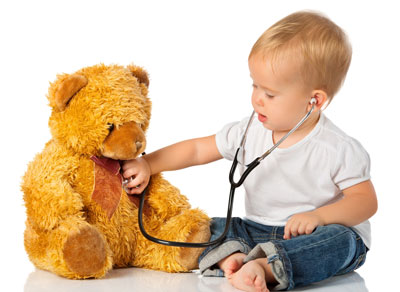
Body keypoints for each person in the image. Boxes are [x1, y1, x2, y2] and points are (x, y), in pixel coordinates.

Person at [122, 11, 378, 292]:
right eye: (255, 85)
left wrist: (320, 217)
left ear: (313, 101)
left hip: (313, 234)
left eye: (270, 94)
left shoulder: (336, 148)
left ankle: (265, 267)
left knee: (340, 241)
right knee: (207, 224)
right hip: (255, 229)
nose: (257, 98)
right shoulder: (248, 131)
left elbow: (365, 202)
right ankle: (236, 257)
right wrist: (148, 164)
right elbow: (196, 150)